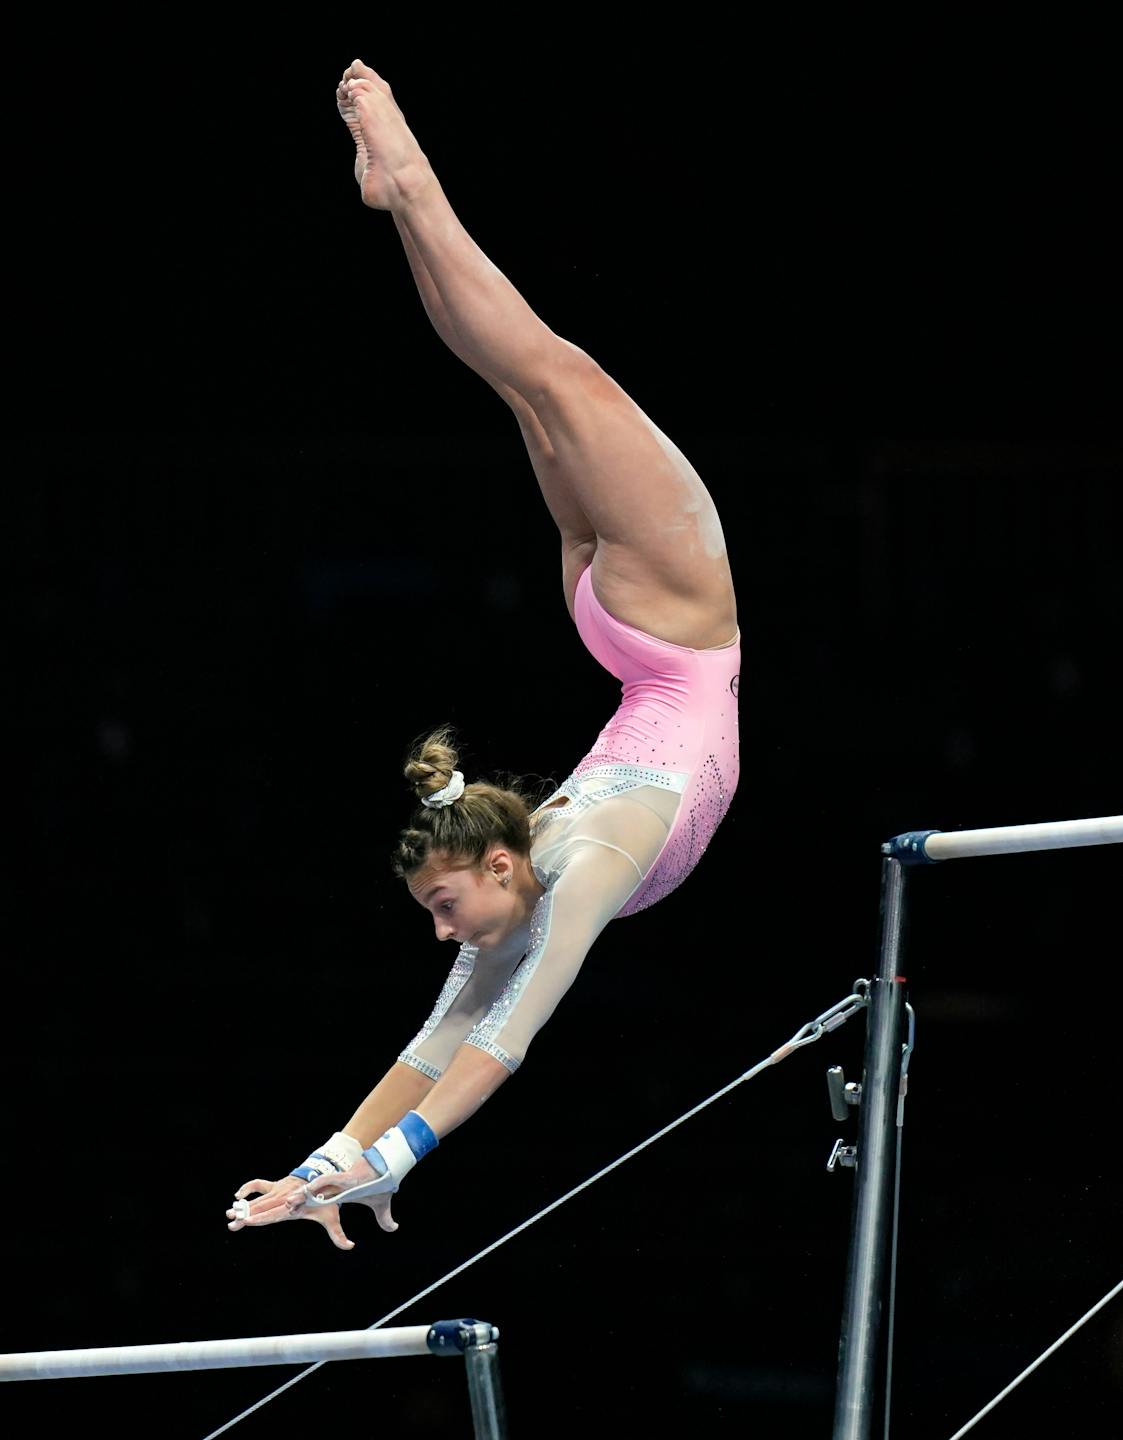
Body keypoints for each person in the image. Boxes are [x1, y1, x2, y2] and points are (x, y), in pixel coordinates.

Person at [226, 61, 741, 1248]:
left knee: (529, 375)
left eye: (442, 909)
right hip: (674, 625)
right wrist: (352, 1165)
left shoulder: (538, 868)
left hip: (642, 640)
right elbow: (482, 1040)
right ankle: (404, 184)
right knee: (543, 371)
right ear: (507, 868)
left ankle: (404, 189)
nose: (445, 934)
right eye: (445, 913)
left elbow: (443, 1040)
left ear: (493, 865)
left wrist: (348, 1161)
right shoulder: (590, 863)